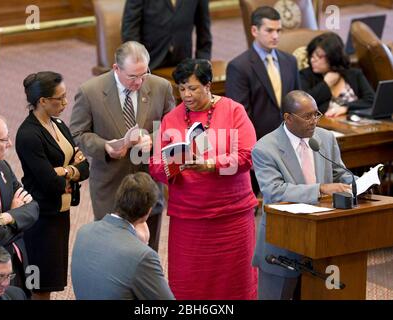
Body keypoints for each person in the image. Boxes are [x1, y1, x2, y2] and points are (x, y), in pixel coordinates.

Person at [149, 59, 258, 300]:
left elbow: (248, 156)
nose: (186, 95)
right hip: (190, 220)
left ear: (209, 86)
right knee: (190, 285)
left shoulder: (233, 111)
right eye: (181, 88)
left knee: (235, 284)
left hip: (231, 217)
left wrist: (210, 164)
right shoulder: (171, 118)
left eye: (193, 88)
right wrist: (174, 165)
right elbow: (155, 166)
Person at [70, 41, 175, 252]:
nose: (139, 82)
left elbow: (172, 125)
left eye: (143, 74)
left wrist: (153, 138)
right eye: (132, 76)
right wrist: (105, 147)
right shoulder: (90, 91)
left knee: (148, 249)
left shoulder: (161, 87)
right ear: (116, 68)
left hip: (148, 181)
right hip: (111, 183)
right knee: (112, 250)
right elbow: (77, 133)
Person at [252, 90, 353, 300]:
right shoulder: (265, 148)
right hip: (283, 239)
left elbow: (339, 172)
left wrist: (358, 183)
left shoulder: (325, 138)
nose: (314, 121)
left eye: (316, 114)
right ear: (288, 118)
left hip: (321, 236)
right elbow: (275, 191)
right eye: (307, 116)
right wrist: (320, 189)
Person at [15, 71, 90, 300]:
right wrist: (69, 172)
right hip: (41, 217)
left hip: (60, 212)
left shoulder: (57, 123)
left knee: (51, 278)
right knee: (39, 284)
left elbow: (85, 167)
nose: (65, 103)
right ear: (43, 101)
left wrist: (66, 171)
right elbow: (49, 182)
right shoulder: (28, 134)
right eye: (60, 98)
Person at [225, 6, 299, 194]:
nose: (275, 36)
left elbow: (297, 101)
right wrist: (252, 150)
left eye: (278, 31)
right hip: (259, 146)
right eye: (269, 30)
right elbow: (240, 116)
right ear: (254, 31)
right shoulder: (238, 67)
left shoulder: (290, 61)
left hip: (289, 143)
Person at [71, 172, 174, 300]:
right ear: (148, 211)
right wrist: (143, 246)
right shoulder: (143, 255)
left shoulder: (83, 232)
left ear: (118, 197)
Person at [0, 112, 39, 296]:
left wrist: (7, 216)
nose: (9, 144)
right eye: (4, 139)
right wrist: (17, 219)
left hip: (18, 261)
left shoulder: (2, 166)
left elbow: (33, 208)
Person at [122, 0, 212, 70]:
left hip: (183, 63)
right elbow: (130, 29)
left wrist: (202, 64)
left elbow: (203, 29)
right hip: (150, 63)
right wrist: (138, 63)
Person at [300, 32, 374, 117]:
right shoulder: (305, 76)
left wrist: (346, 108)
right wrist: (326, 84)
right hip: (324, 127)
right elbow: (304, 105)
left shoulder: (354, 74)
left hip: (356, 126)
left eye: (319, 56)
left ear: (333, 56)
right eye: (311, 56)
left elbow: (371, 100)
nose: (313, 60)